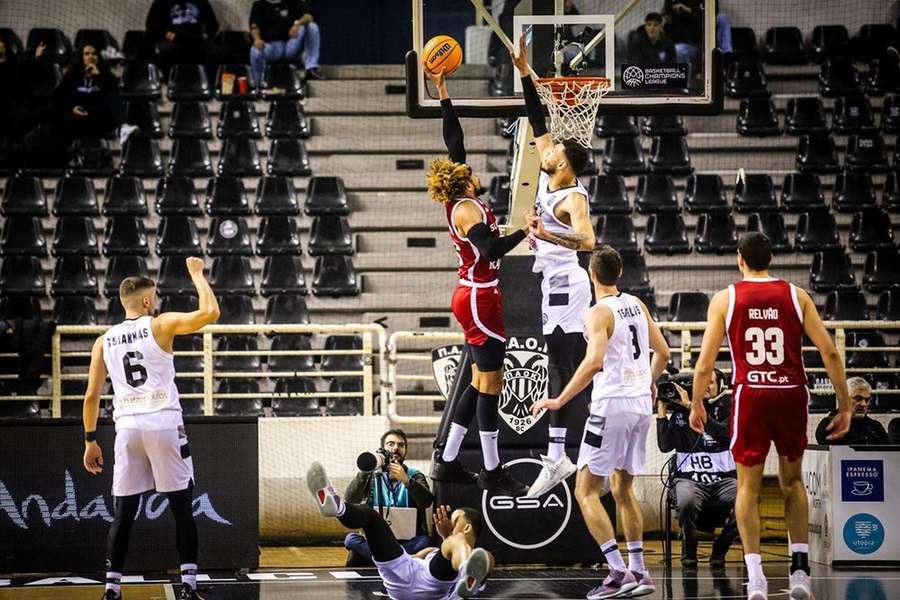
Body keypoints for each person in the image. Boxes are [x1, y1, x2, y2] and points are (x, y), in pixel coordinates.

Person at [689, 232, 851, 600]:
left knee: (747, 487)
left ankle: (756, 574)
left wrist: (697, 403)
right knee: (793, 484)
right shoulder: (798, 296)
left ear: (739, 259)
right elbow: (830, 353)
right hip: (791, 393)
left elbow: (704, 365)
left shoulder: (725, 298)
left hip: (752, 395)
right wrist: (843, 405)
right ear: (772, 258)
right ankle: (799, 571)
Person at [532, 245, 670, 599]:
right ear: (619, 273)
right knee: (623, 489)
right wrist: (650, 382)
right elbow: (664, 352)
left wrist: (560, 399)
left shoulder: (597, 312)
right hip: (640, 406)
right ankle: (639, 572)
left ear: (592, 275)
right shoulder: (637, 305)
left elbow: (594, 362)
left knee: (585, 491)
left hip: (611, 405)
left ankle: (617, 572)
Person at [82, 257, 220, 600]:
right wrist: (197, 275)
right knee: (181, 507)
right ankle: (188, 585)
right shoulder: (160, 324)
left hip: (127, 427)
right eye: (153, 298)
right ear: (146, 301)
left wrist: (89, 440)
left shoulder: (104, 340)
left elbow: (90, 396)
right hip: (163, 422)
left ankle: (112, 589)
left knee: (123, 512)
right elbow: (210, 313)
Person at [425, 66, 530, 497]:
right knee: (491, 381)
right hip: (479, 296)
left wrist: (444, 93)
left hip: (474, 295)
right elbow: (488, 251)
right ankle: (491, 467)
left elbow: (454, 140)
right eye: (468, 171)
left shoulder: (460, 195)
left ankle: (448, 459)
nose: (472, 169)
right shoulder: (466, 209)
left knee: (477, 381)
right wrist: (526, 231)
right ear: (464, 181)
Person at [508, 33, 597, 500]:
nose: (547, 150)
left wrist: (546, 234)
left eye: (554, 151)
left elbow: (588, 240)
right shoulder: (553, 171)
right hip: (552, 283)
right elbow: (537, 118)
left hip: (568, 281)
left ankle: (561, 452)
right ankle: (560, 452)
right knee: (557, 365)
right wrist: (525, 70)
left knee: (564, 366)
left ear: (564, 165)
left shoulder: (573, 196)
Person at [308, 462, 493, 599]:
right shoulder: (437, 550)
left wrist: (450, 538)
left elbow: (463, 547)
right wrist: (380, 544)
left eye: (453, 520)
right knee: (372, 518)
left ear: (467, 526)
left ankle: (468, 575)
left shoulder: (471, 550)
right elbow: (411, 558)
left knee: (485, 557)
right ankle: (337, 507)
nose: (448, 523)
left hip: (432, 585)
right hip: (402, 572)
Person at [656, 373, 737, 569]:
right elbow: (665, 446)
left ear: (720, 385)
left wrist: (691, 407)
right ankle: (689, 548)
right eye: (703, 382)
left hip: (724, 479)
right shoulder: (680, 414)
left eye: (711, 382)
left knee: (747, 502)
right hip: (689, 479)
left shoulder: (729, 409)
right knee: (686, 501)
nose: (707, 386)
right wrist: (662, 410)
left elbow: (724, 435)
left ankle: (720, 549)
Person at [344, 429, 435, 565]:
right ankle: (401, 560)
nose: (396, 448)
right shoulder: (371, 475)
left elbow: (426, 502)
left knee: (426, 541)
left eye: (401, 445)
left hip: (407, 541)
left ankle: (385, 559)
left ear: (406, 450)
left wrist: (406, 480)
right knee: (351, 539)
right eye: (391, 444)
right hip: (377, 541)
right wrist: (365, 471)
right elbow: (350, 499)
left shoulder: (414, 475)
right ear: (383, 449)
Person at [52, 43, 137, 145]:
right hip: (77, 119)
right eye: (87, 54)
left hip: (98, 118)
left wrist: (98, 76)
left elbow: (115, 91)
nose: (91, 56)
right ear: (81, 57)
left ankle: (123, 128)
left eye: (94, 54)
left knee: (113, 96)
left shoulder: (105, 75)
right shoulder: (71, 76)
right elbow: (58, 97)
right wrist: (72, 108)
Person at [145, 0, 224, 80]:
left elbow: (213, 25)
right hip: (171, 42)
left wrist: (205, 37)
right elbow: (152, 26)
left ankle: (208, 84)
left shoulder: (201, 2)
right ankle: (170, 82)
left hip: (196, 42)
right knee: (162, 51)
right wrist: (172, 37)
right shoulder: (161, 2)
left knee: (215, 53)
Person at [249, 0, 323, 86]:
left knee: (311, 26)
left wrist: (297, 24)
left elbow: (309, 16)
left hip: (291, 44)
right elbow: (254, 27)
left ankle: (311, 69)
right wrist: (257, 39)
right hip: (271, 47)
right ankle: (257, 86)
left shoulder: (293, 2)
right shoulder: (258, 5)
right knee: (255, 50)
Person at [815, 377, 889, 446]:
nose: (864, 404)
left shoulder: (875, 427)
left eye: (867, 400)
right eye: (858, 399)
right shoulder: (829, 426)